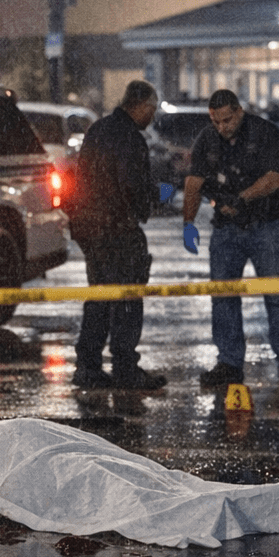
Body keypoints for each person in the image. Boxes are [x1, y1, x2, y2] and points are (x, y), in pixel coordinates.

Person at [182, 89, 279, 387]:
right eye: (216, 122)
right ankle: (229, 362)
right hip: (227, 228)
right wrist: (188, 223)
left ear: (239, 112)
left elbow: (275, 179)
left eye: (226, 120)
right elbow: (194, 183)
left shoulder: (265, 133)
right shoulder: (207, 140)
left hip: (268, 223)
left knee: (277, 294)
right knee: (223, 294)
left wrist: (241, 199)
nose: (222, 127)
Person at [68, 79, 167, 391]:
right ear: (140, 105)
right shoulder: (130, 137)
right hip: (116, 228)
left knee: (99, 296)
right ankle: (125, 367)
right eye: (152, 109)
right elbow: (131, 183)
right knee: (127, 297)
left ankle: (88, 366)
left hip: (90, 226)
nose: (152, 116)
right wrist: (152, 198)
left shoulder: (98, 130)